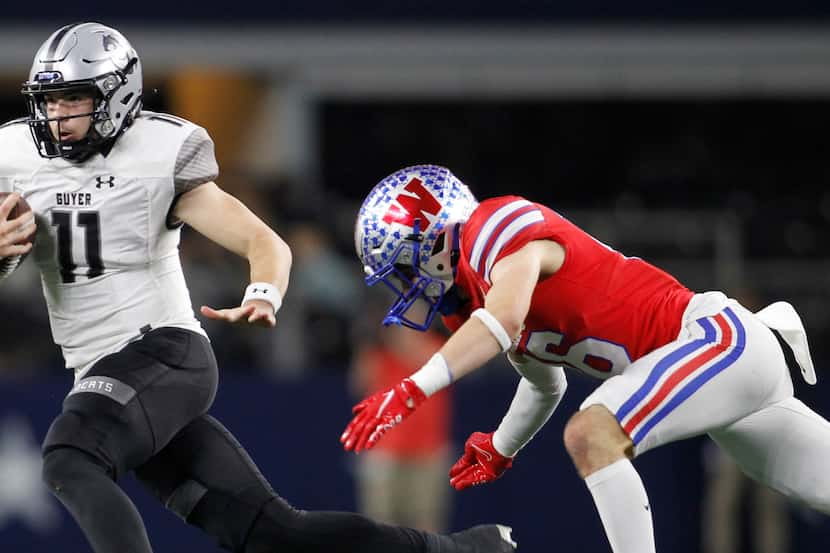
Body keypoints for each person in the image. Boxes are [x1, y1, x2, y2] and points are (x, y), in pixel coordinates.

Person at [0, 24, 516, 553]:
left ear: (117, 96)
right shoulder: (15, 156)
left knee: (70, 458)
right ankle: (466, 549)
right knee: (274, 534)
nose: (58, 116)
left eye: (74, 99)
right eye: (50, 101)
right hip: (108, 372)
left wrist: (263, 292)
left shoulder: (156, 155)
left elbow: (263, 241)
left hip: (163, 353)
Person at [341, 164, 830, 553]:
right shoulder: (475, 298)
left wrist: (413, 387)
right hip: (723, 368)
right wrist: (502, 445)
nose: (406, 287)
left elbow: (506, 319)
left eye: (405, 269)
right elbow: (543, 384)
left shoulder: (493, 227)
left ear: (434, 244)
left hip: (716, 338)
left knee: (593, 432)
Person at [350, 299, 453, 532]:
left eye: (414, 318)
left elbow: (418, 357)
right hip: (384, 453)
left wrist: (397, 341)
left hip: (428, 453)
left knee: (426, 525)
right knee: (380, 526)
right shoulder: (378, 354)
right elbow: (357, 383)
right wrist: (365, 343)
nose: (408, 324)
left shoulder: (438, 349)